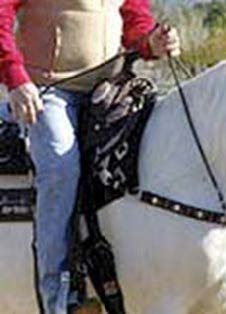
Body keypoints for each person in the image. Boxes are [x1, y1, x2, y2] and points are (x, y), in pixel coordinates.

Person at [0, 1, 180, 313]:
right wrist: (16, 77)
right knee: (60, 165)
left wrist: (152, 41)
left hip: (110, 88)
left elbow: (135, 22)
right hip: (48, 90)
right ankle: (57, 295)